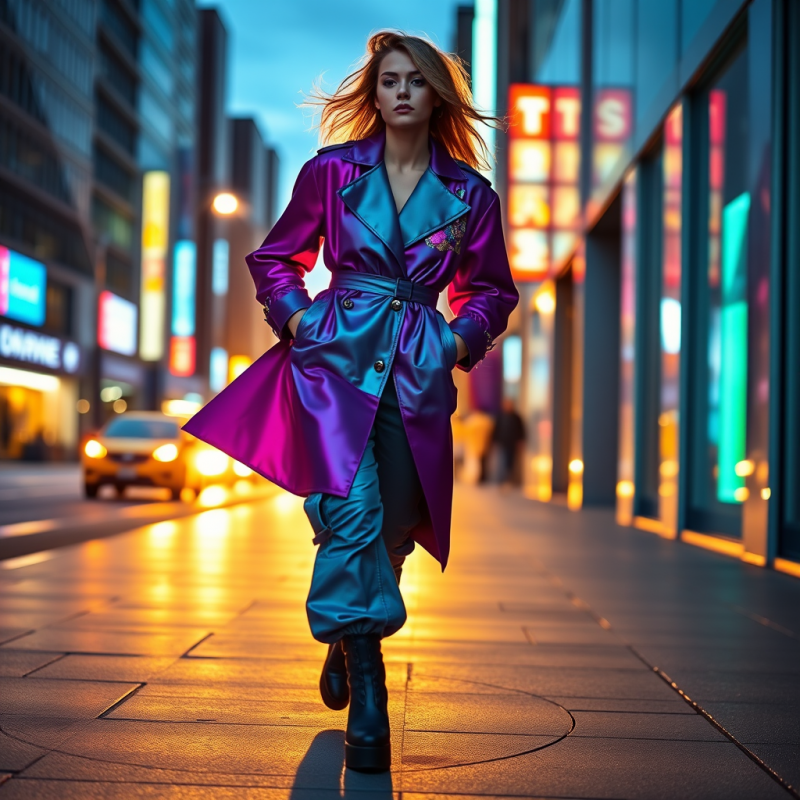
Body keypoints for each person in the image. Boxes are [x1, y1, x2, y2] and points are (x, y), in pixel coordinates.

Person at [184, 31, 519, 773]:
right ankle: (369, 690)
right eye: (389, 80)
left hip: (418, 369)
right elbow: (277, 257)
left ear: (437, 96)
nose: (401, 92)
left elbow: (492, 290)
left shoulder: (470, 194)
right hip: (334, 359)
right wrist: (299, 320)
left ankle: (347, 632)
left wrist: (456, 343)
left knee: (393, 525)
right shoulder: (331, 173)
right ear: (374, 95)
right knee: (353, 509)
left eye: (415, 82)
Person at [493, 398, 526, 485]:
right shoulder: (500, 416)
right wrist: (495, 440)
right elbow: (496, 429)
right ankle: (501, 479)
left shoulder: (516, 417)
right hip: (502, 442)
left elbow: (520, 430)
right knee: (501, 461)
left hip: (512, 442)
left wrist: (520, 441)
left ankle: (509, 479)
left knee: (511, 461)